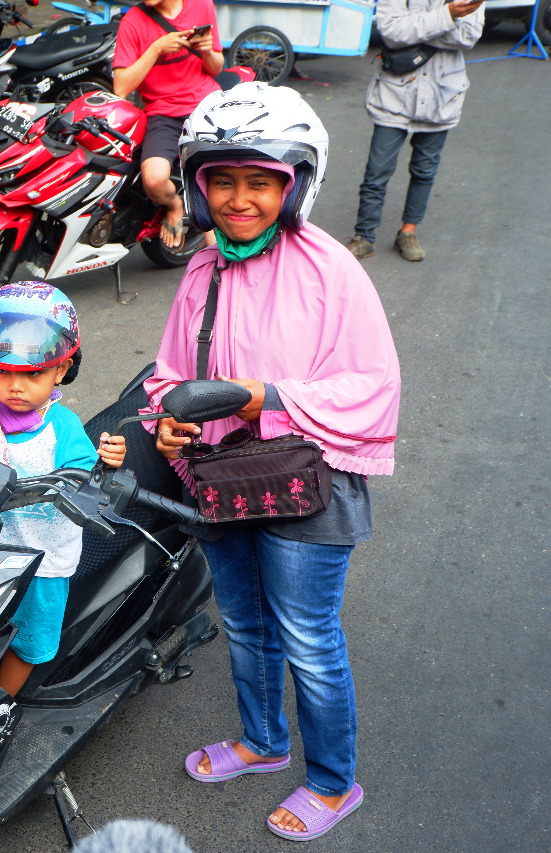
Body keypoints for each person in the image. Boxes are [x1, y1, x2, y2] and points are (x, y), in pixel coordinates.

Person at [146, 82, 401, 841]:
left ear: (294, 183)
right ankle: (262, 741)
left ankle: (331, 779)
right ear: (196, 182)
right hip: (222, 480)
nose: (238, 198)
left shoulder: (331, 270)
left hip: (307, 483)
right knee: (246, 624)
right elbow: (168, 375)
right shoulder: (202, 269)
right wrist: (170, 422)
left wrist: (269, 396)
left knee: (309, 639)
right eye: (221, 179)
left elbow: (373, 386)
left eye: (259, 181)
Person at [0, 282, 127, 695]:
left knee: (28, 641)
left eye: (32, 373)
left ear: (61, 369)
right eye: (2, 371)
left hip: (43, 562)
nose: (15, 386)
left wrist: (104, 461)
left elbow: (85, 476)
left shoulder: (62, 428)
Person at [346, 0, 483, 262]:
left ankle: (408, 232)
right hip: (395, 93)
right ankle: (364, 236)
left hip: (442, 95)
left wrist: (416, 23)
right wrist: (448, 15)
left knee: (424, 169)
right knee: (376, 171)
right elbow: (392, 33)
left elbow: (468, 37)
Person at [111, 0, 223, 248]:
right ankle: (173, 205)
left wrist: (207, 51)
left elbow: (216, 67)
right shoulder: (133, 21)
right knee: (153, 179)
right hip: (163, 113)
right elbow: (120, 88)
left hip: (206, 107)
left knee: (213, 184)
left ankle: (221, 265)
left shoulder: (202, 5)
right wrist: (155, 49)